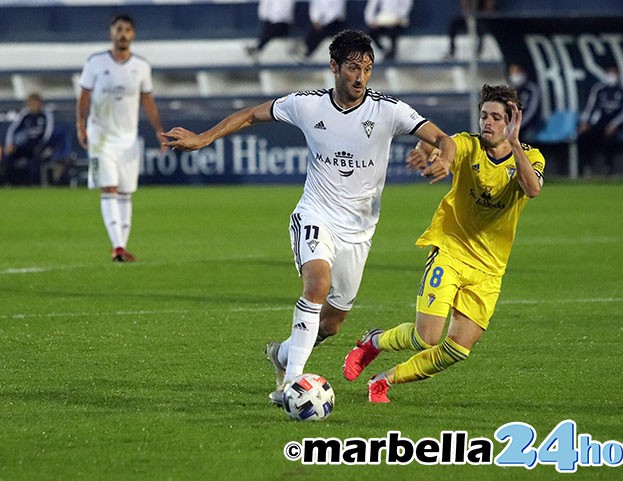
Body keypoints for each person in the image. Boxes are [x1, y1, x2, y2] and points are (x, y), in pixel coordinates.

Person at [162, 30, 456, 405]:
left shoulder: (388, 110)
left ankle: (283, 354)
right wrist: (204, 137)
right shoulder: (307, 105)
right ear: (334, 67)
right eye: (352, 67)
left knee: (331, 323)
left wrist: (441, 157)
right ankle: (292, 384)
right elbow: (252, 114)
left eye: (367, 69)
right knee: (316, 284)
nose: (360, 77)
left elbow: (442, 138)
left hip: (359, 231)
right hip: (315, 214)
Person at [343, 83, 544, 403]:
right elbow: (449, 145)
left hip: (489, 269)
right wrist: (438, 157)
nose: (487, 123)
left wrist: (516, 144)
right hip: (451, 251)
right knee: (427, 337)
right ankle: (374, 341)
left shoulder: (531, 157)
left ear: (512, 121)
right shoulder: (469, 145)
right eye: (484, 116)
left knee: (457, 349)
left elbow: (532, 189)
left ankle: (384, 380)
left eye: (496, 117)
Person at [76, 13, 165, 262]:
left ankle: (122, 247)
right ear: (111, 33)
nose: (122, 33)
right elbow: (83, 95)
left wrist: (159, 129)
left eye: (127, 29)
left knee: (125, 192)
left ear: (132, 34)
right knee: (110, 187)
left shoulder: (141, 66)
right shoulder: (95, 63)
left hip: (128, 138)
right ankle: (116, 246)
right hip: (101, 138)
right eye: (118, 29)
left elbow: (148, 100)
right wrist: (80, 124)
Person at [577, 65, 623, 176]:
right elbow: (590, 106)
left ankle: (608, 167)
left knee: (610, 139)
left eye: (614, 73)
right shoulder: (598, 89)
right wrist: (585, 122)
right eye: (609, 73)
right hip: (599, 123)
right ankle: (586, 167)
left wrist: (614, 124)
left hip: (616, 124)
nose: (611, 76)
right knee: (584, 136)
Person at [2, 93, 54, 186]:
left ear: (40, 103)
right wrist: (9, 144)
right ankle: (10, 183)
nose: (34, 106)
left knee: (35, 161)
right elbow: (12, 129)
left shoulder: (46, 115)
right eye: (31, 103)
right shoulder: (25, 114)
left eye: (36, 103)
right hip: (26, 146)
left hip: (40, 146)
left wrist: (41, 146)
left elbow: (48, 134)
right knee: (9, 157)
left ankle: (33, 184)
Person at [507, 63, 540, 142]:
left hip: (530, 127)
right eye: (512, 73)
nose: (514, 76)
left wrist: (519, 125)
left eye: (516, 72)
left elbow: (531, 111)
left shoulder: (531, 90)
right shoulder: (511, 90)